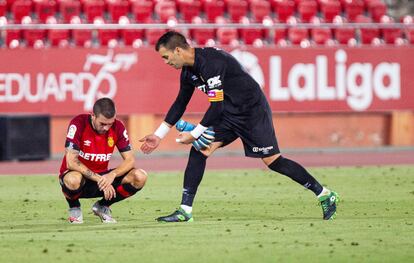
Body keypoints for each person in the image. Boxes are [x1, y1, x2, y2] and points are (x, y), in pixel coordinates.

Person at [139, 31, 339, 222]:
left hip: (251, 112)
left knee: (273, 161)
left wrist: (195, 132)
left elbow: (215, 106)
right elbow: (180, 102)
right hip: (228, 112)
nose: (166, 62)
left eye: (166, 57)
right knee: (200, 149)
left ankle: (325, 194)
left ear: (178, 51)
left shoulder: (211, 63)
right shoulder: (188, 72)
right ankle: (185, 210)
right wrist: (159, 134)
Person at [59, 97, 147, 224]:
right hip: (79, 179)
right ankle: (74, 207)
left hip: (103, 178)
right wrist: (100, 179)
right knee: (73, 180)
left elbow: (130, 160)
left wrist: (112, 175)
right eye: (102, 124)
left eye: (109, 123)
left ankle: (102, 206)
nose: (106, 128)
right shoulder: (78, 123)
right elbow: (71, 161)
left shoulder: (118, 127)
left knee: (140, 176)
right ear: (93, 115)